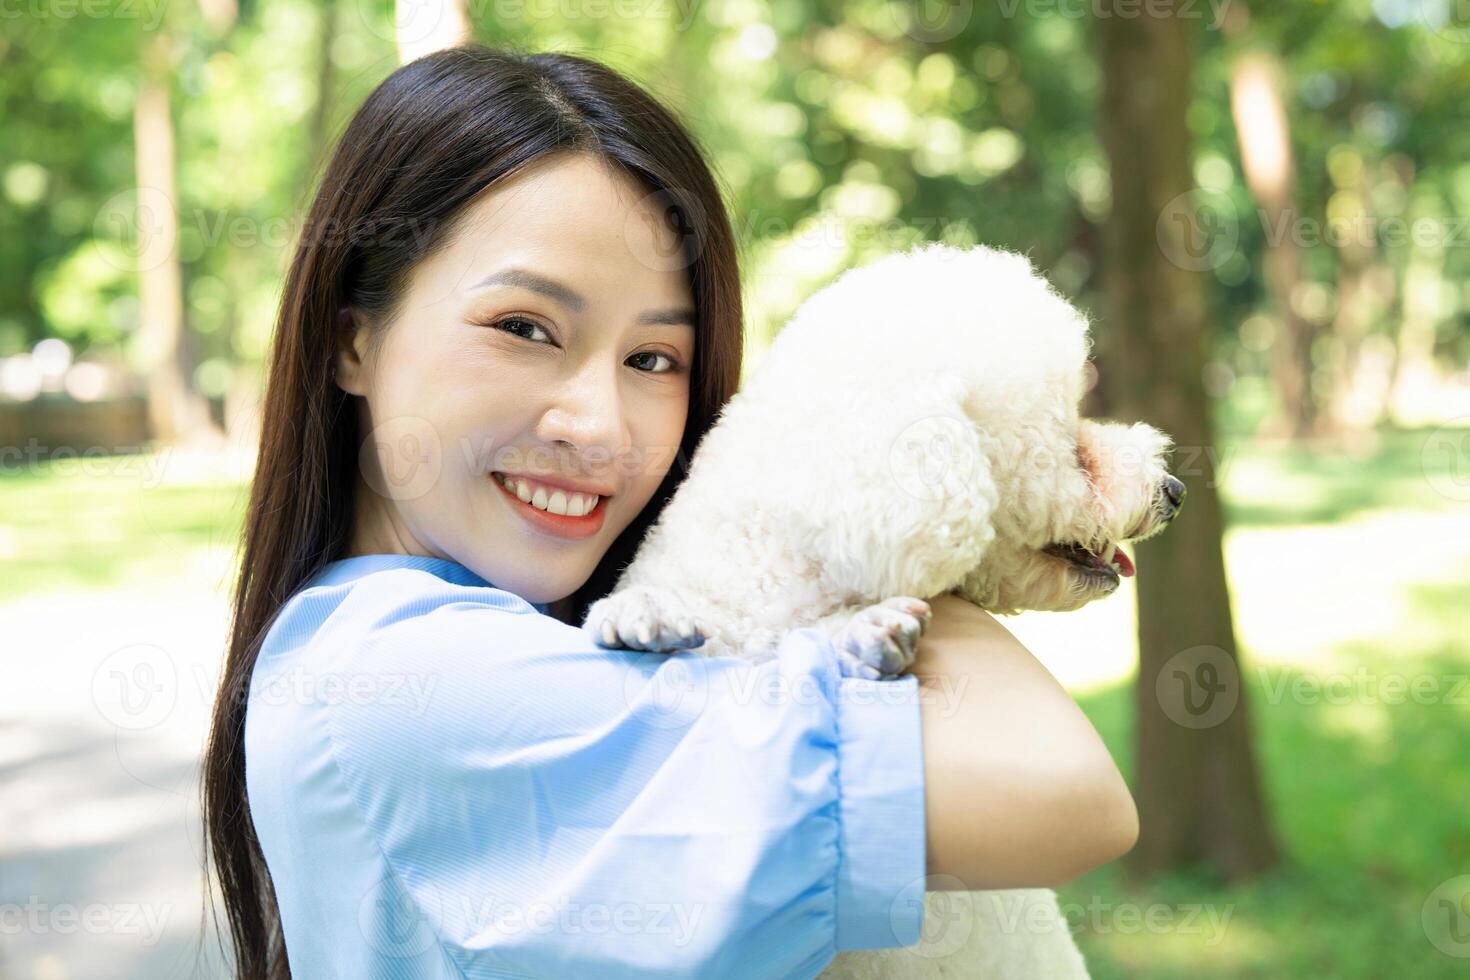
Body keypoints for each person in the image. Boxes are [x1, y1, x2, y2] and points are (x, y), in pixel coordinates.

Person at [200, 43, 1138, 980]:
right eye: (524, 328)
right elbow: (1068, 796)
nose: (598, 425)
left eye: (653, 359)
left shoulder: (425, 649)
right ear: (351, 340)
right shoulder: (410, 684)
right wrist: (902, 524)